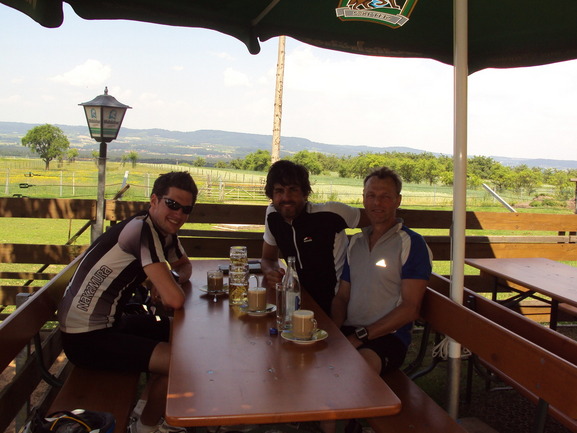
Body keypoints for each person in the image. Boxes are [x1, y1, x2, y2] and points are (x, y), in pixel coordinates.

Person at [57, 171, 198, 433]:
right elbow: (174, 300)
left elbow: (184, 266)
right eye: (172, 204)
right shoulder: (140, 230)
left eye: (186, 209)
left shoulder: (162, 231)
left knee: (185, 335)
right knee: (181, 363)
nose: (178, 214)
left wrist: (168, 279)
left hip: (111, 322)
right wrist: (165, 284)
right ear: (154, 200)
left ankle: (142, 410)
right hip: (86, 337)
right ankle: (145, 427)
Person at [332, 166, 432, 375]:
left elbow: (411, 308)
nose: (377, 203)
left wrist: (359, 337)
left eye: (385, 196)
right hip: (350, 330)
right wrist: (333, 332)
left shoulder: (411, 243)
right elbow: (342, 296)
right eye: (371, 196)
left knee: (355, 372)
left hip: (388, 337)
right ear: (363, 199)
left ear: (398, 200)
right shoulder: (356, 242)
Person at [261, 160, 369, 315]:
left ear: (305, 193)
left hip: (337, 303)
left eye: (293, 189)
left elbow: (376, 218)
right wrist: (271, 272)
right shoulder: (272, 215)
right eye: (279, 191)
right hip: (297, 300)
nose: (286, 197)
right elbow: (268, 258)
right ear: (271, 195)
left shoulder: (331, 213)